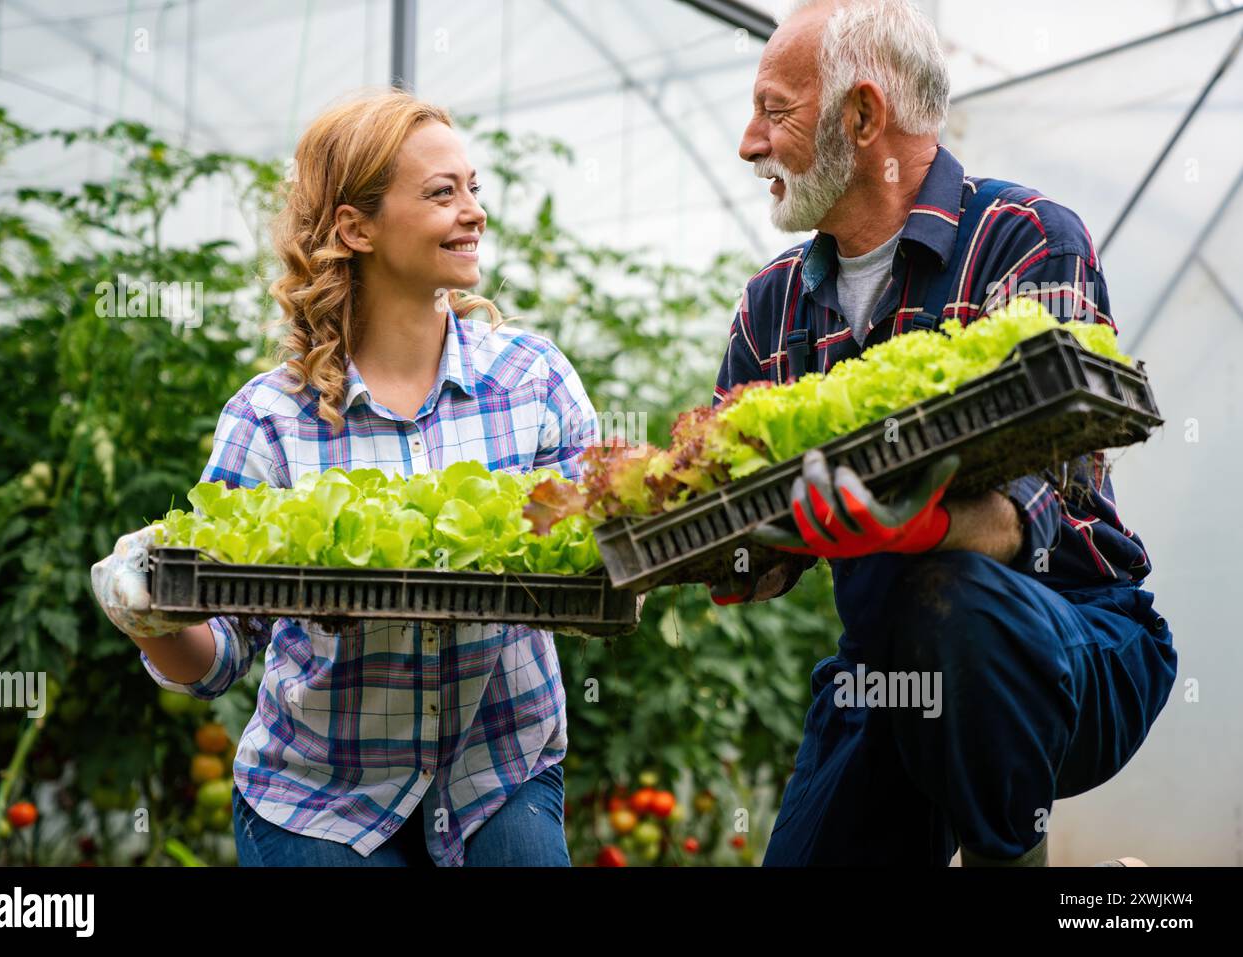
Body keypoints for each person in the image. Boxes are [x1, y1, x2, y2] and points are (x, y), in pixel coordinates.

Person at [711, 0, 1176, 867]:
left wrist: (920, 524)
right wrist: (719, 538)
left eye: (776, 110)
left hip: (1074, 637)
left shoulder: (1024, 237)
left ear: (862, 114)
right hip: (887, 666)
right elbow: (755, 563)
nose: (749, 142)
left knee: (952, 597)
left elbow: (1050, 493)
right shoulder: (771, 306)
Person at [90, 91, 604, 867]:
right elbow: (223, 651)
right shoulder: (271, 417)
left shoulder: (532, 381)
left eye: (474, 188)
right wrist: (149, 614)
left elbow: (594, 555)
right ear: (355, 227)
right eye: (442, 192)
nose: (473, 212)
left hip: (494, 765)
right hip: (319, 791)